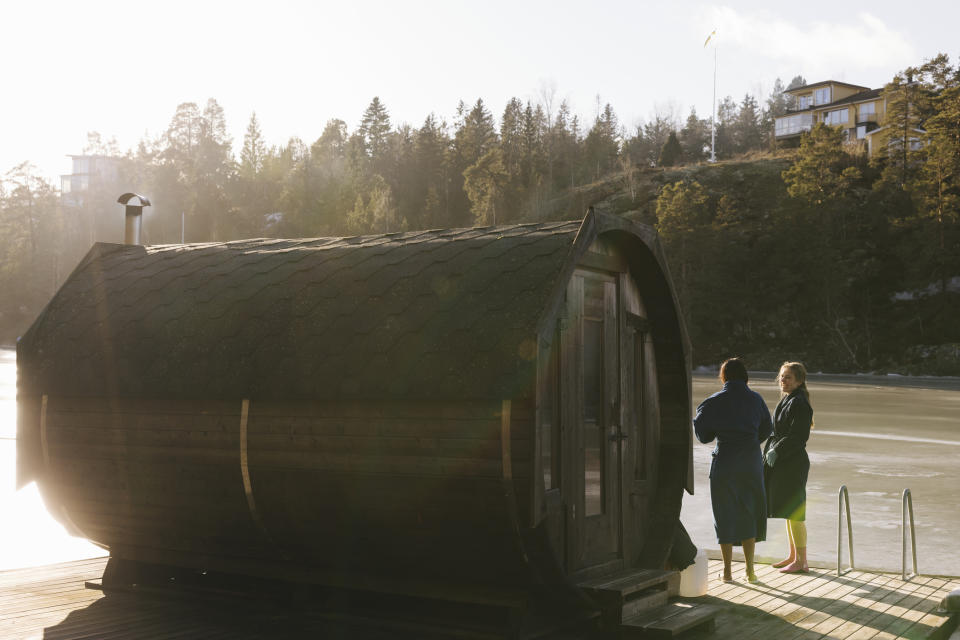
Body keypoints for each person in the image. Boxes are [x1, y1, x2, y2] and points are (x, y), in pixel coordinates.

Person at [694, 357, 772, 583]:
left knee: (724, 513)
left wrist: (696, 421)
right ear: (745, 376)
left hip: (725, 461)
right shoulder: (756, 399)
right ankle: (750, 571)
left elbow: (704, 436)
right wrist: (749, 442)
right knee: (748, 511)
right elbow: (767, 428)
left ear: (724, 377)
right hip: (750, 461)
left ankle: (727, 572)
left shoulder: (713, 402)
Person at [764, 361, 814, 574]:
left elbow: (799, 436)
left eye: (788, 378)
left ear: (799, 381)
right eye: (782, 377)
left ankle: (802, 561)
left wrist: (778, 450)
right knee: (787, 510)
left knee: (795, 512)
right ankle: (793, 555)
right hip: (784, 461)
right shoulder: (788, 399)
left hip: (793, 462)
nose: (783, 381)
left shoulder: (800, 402)